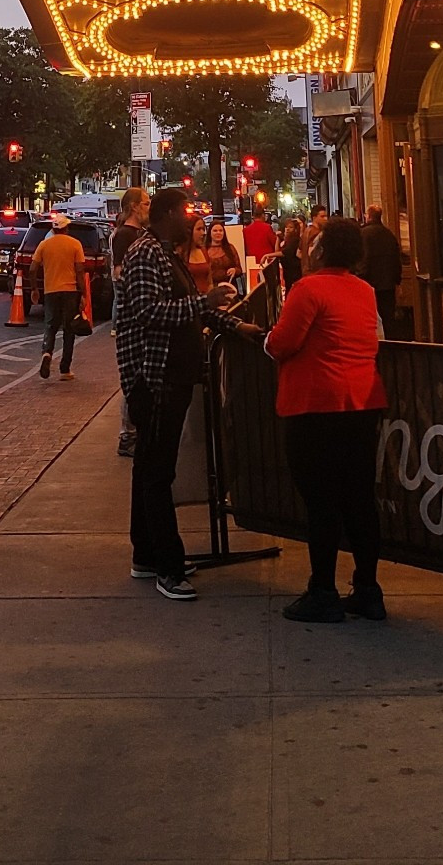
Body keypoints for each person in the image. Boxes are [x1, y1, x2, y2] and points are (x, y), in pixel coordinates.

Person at [116, 185, 248, 601]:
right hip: (153, 379)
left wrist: (233, 325)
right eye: (185, 211)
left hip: (170, 376)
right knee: (158, 473)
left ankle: (146, 555)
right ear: (167, 213)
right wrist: (204, 301)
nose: (191, 219)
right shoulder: (144, 255)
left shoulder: (163, 253)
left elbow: (193, 305)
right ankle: (167, 568)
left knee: (149, 469)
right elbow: (147, 312)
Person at [264, 217, 388, 623]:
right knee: (358, 500)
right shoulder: (365, 290)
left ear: (320, 250)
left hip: (316, 405)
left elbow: (283, 342)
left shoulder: (309, 288)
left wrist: (265, 338)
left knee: (321, 502)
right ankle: (368, 588)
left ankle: (323, 590)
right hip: (362, 401)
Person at [110, 186, 150, 457]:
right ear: (134, 206)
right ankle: (128, 435)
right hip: (132, 317)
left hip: (136, 316)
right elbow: (120, 274)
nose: (149, 207)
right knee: (132, 380)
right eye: (146, 203)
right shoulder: (126, 235)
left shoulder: (138, 234)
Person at [30, 214, 86, 381]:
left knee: (50, 325)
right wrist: (82, 293)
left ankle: (47, 352)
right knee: (69, 330)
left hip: (51, 291)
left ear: (53, 229)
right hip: (70, 291)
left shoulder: (44, 245)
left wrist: (35, 288)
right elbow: (80, 271)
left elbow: (33, 269)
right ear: (66, 228)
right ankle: (65, 369)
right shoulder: (75, 244)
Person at [360, 204, 404, 335]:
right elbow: (397, 259)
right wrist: (397, 280)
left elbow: (363, 260)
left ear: (368, 216)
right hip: (388, 283)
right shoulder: (389, 235)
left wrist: (360, 278)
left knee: (370, 317)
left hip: (370, 283)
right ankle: (391, 346)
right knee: (388, 317)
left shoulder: (363, 234)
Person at [204, 218, 241, 288]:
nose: (218, 233)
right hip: (210, 289)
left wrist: (235, 270)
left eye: (220, 230)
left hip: (228, 287)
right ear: (210, 233)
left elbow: (239, 269)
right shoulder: (204, 250)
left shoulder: (230, 248)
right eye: (215, 231)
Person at [241, 197, 277, 267]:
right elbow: (274, 243)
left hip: (251, 262)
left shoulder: (246, 230)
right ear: (263, 215)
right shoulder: (267, 227)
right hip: (267, 261)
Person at [183, 214, 214, 291]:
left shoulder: (204, 251)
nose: (203, 233)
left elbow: (210, 281)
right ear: (189, 231)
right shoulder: (181, 254)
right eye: (199, 229)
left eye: (203, 229)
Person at [277, 217, 304, 289]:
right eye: (286, 227)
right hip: (288, 273)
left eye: (290, 227)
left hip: (294, 273)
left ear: (295, 229)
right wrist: (278, 238)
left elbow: (284, 253)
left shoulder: (295, 240)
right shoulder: (286, 241)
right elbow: (277, 251)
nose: (287, 229)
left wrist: (266, 255)